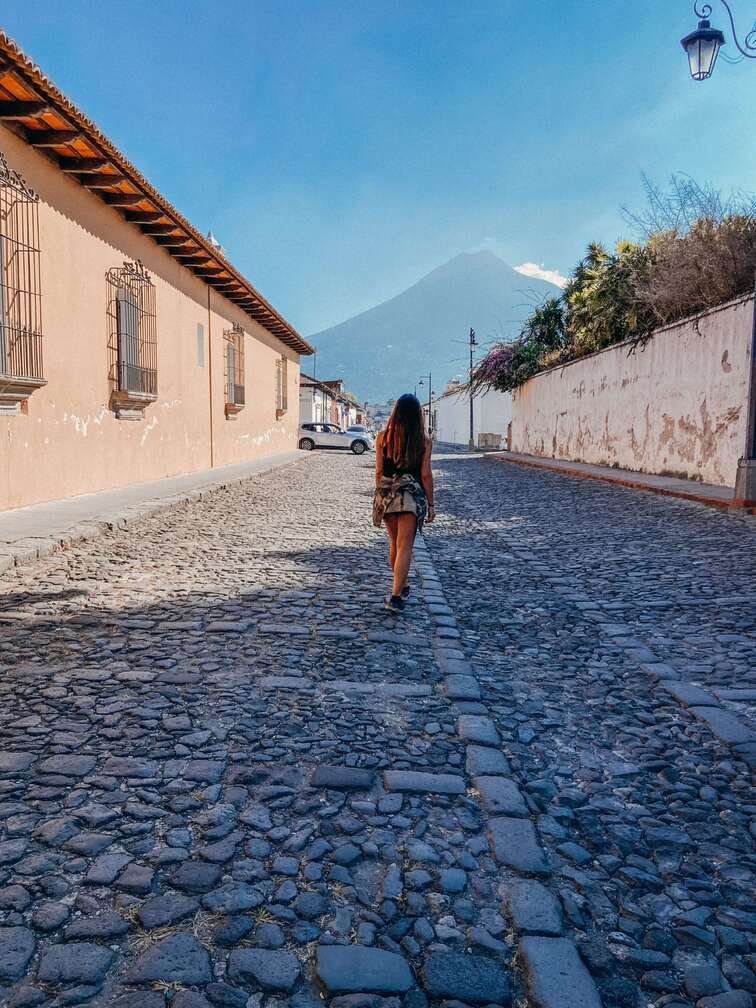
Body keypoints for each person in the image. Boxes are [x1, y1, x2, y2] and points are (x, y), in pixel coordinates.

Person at [372, 394, 434, 613]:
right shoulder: (424, 441)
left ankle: (401, 585)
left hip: (388, 495)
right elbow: (425, 474)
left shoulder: (382, 438)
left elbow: (379, 472)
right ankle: (396, 595)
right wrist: (432, 504)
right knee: (404, 545)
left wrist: (380, 495)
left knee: (394, 542)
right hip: (410, 496)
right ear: (418, 416)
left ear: (395, 412)